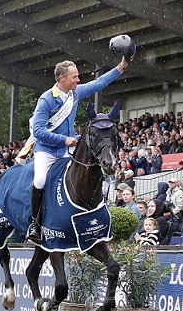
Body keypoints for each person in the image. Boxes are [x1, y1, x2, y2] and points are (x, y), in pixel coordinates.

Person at [25, 56, 131, 243]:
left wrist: (121, 67)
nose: (78, 80)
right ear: (62, 78)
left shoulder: (75, 93)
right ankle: (35, 224)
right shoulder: (46, 100)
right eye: (74, 77)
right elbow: (39, 131)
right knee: (40, 180)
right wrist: (64, 139)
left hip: (68, 147)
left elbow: (99, 83)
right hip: (47, 150)